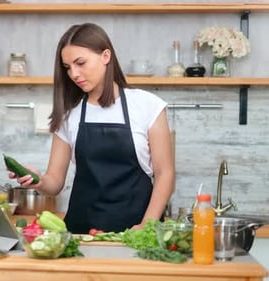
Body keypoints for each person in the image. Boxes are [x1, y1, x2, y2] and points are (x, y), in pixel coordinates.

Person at [9, 23, 174, 233]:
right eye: (68, 67)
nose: (74, 74)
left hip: (137, 233)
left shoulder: (148, 106)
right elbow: (55, 182)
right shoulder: (70, 115)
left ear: (106, 56)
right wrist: (38, 180)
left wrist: (147, 226)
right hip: (82, 233)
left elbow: (165, 173)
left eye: (80, 63)